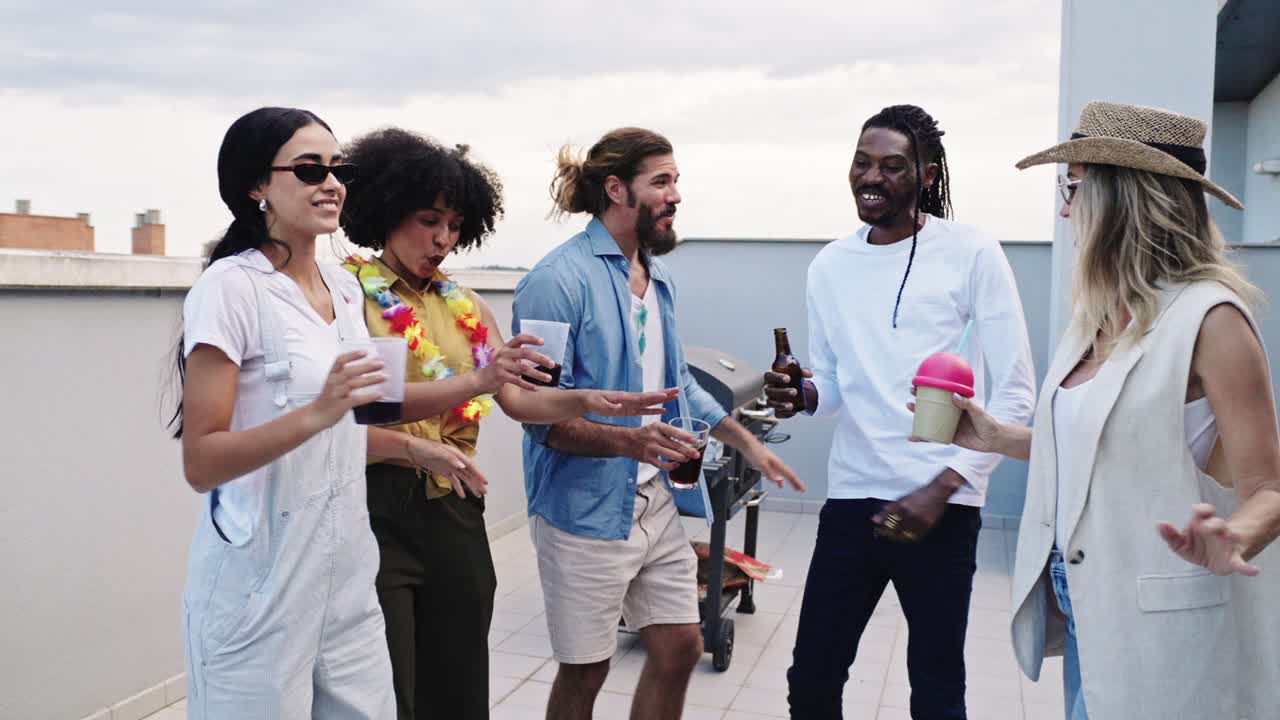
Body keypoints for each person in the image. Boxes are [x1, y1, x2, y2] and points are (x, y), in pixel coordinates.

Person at [928, 100, 1280, 719]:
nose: (1064, 209)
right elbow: (1110, 447)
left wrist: (1236, 537)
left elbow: (1268, 487)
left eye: (1072, 187)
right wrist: (997, 436)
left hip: (1164, 610)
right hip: (1087, 596)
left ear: (1125, 198)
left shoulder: (1212, 318)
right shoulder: (1098, 315)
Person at [338, 127, 677, 720]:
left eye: (454, 225)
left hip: (455, 506)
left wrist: (589, 398)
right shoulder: (351, 297)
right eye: (428, 221)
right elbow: (370, 411)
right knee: (389, 679)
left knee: (461, 674)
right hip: (375, 506)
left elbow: (519, 401)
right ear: (386, 213)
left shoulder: (466, 305)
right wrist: (456, 408)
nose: (443, 239)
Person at [173, 108, 501, 718]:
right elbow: (202, 461)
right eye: (307, 168)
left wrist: (483, 378)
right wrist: (319, 411)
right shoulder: (229, 288)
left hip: (349, 579)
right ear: (256, 186)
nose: (330, 182)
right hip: (260, 585)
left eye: (336, 168)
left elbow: (378, 405)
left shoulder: (343, 289)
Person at [513, 127, 805, 720]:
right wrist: (633, 441)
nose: (676, 196)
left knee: (679, 648)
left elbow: (682, 383)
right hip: (584, 512)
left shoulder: (657, 278)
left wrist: (749, 442)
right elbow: (539, 417)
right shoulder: (556, 281)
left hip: (654, 505)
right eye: (662, 182)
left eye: (677, 182)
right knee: (586, 670)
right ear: (617, 189)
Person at [765, 104, 1036, 719]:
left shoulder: (970, 251)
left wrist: (942, 488)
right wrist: (804, 394)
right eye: (862, 162)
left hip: (942, 507)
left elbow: (1016, 394)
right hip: (855, 501)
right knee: (811, 682)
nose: (872, 177)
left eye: (892, 166)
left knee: (937, 692)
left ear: (928, 176)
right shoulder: (830, 264)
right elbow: (834, 384)